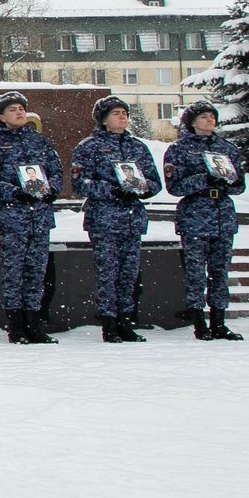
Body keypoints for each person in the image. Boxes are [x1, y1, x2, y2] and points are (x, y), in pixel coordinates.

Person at [71, 95, 161, 342]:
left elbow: (154, 182)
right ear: (103, 119)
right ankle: (108, 322)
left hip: (132, 218)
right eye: (115, 113)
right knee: (107, 273)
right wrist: (112, 189)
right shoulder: (89, 147)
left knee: (129, 273)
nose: (122, 117)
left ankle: (126, 320)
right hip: (104, 219)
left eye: (124, 113)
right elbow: (80, 183)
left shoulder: (137, 147)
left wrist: (141, 188)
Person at [0, 91, 62, 344]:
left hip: (40, 217)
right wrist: (15, 192)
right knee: (14, 273)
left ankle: (34, 322)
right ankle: (16, 325)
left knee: (36, 272)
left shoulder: (40, 142)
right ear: (1, 117)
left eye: (22, 109)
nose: (20, 113)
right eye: (13, 110)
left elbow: (56, 172)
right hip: (12, 218)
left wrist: (50, 190)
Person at [162, 100, 246, 341]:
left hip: (222, 213)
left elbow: (240, 184)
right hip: (195, 215)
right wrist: (202, 180)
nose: (210, 120)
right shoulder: (179, 149)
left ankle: (219, 321)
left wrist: (227, 182)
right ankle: (199, 321)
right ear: (192, 122)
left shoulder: (226, 148)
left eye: (212, 116)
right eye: (204, 117)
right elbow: (174, 186)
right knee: (196, 272)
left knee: (220, 272)